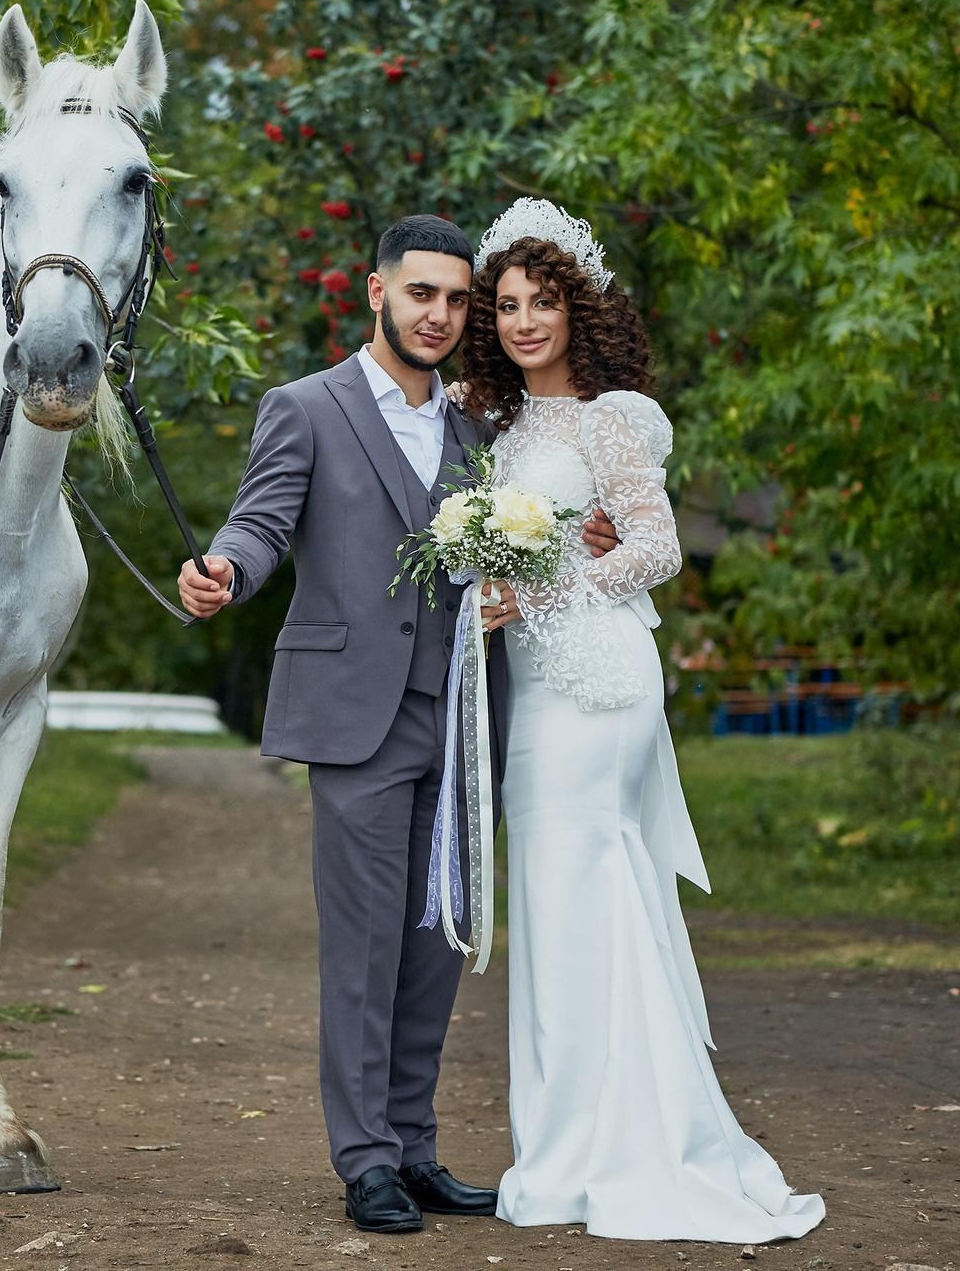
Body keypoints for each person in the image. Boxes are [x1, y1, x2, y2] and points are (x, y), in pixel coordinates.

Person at [178, 215, 618, 1235]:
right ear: (374, 292)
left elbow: (532, 536)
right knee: (366, 942)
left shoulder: (477, 426)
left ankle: (414, 1146)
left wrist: (586, 532)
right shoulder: (304, 408)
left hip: (463, 709)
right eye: (423, 293)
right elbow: (260, 523)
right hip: (354, 718)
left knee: (434, 939)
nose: (442, 315)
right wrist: (224, 570)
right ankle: (364, 1157)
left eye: (458, 299)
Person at [464, 198, 825, 1242]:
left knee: (583, 897)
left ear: (578, 307)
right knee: (556, 907)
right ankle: (566, 1144)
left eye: (542, 300)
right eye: (508, 304)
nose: (525, 320)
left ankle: (609, 1151)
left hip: (597, 684)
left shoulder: (608, 419)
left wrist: (539, 589)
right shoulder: (507, 423)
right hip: (538, 687)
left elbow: (657, 546)